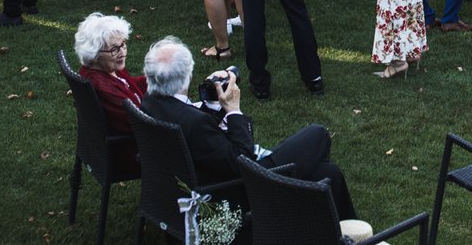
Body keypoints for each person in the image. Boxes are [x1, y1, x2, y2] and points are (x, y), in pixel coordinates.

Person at [138, 37, 353, 214]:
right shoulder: (195, 123)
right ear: (188, 75)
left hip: (191, 184)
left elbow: (201, 137)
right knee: (317, 134)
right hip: (240, 188)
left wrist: (213, 103)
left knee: (328, 173)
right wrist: (233, 111)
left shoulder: (149, 104)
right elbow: (243, 158)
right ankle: (294, 217)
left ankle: (339, 234)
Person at [72, 12, 146, 175]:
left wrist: (159, 78)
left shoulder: (104, 69)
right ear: (94, 54)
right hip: (134, 152)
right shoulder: (104, 88)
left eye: (123, 44)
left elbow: (128, 85)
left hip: (122, 143)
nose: (122, 52)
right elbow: (141, 126)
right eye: (114, 49)